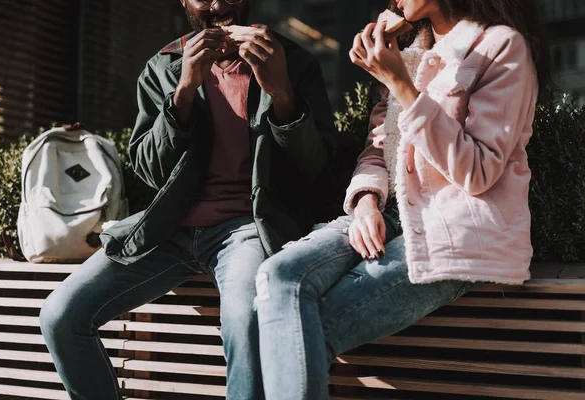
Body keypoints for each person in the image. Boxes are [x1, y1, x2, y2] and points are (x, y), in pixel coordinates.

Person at [39, 0, 336, 398]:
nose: (216, 4)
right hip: (169, 229)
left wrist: (281, 90)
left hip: (246, 229)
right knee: (60, 316)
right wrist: (184, 91)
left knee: (244, 322)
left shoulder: (290, 60)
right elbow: (148, 171)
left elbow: (317, 171)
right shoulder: (163, 66)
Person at [254, 0, 548, 399]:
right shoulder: (410, 49)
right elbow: (378, 149)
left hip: (454, 230)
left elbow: (478, 171)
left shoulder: (500, 46)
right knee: (277, 276)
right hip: (388, 213)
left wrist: (403, 86)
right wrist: (366, 201)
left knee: (293, 329)